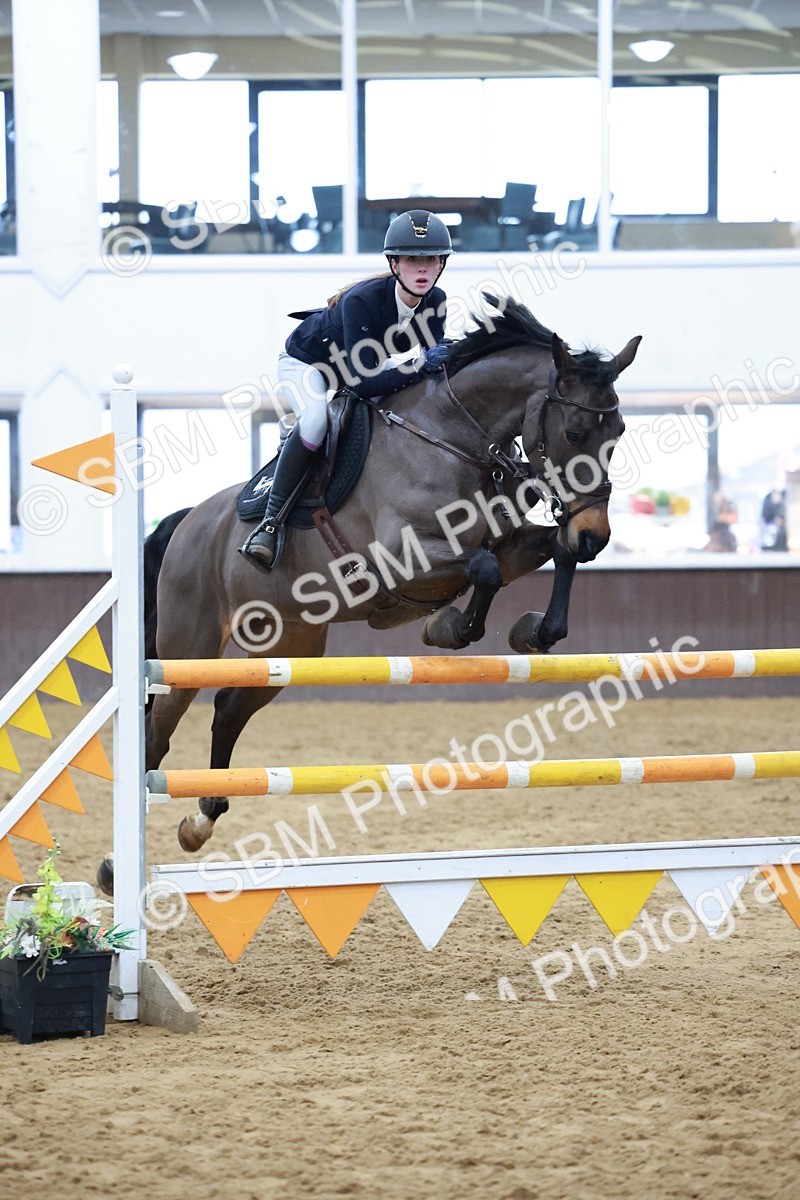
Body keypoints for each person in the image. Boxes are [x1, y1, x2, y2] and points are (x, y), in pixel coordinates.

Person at [240, 209, 452, 571]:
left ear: (441, 264)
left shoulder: (435, 301)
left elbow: (432, 368)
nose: (422, 269)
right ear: (394, 264)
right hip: (309, 364)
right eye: (412, 260)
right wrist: (419, 365)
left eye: (430, 260)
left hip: (365, 365)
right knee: (316, 422)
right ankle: (270, 524)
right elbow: (362, 383)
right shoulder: (361, 301)